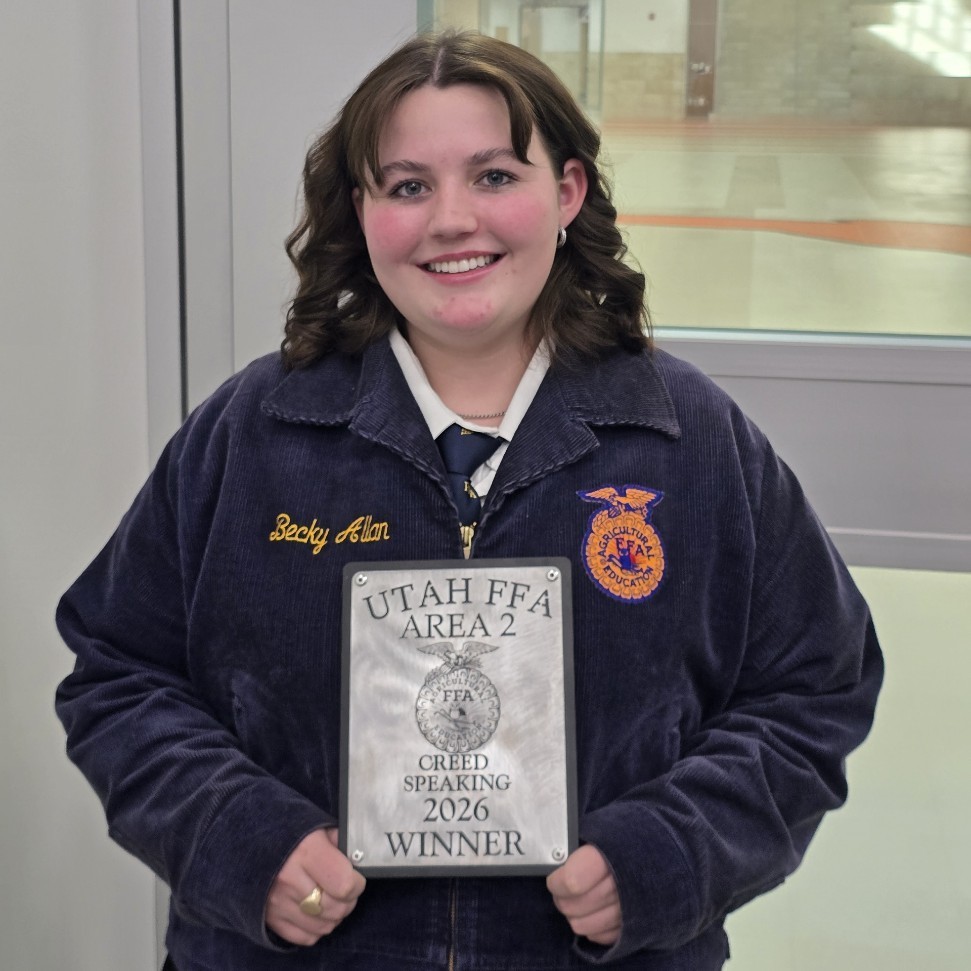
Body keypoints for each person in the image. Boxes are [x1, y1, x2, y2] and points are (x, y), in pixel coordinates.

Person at [55, 29, 883, 971]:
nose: (452, 219)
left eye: (493, 176)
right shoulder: (253, 432)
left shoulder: (689, 441)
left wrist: (664, 858)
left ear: (565, 192)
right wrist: (242, 841)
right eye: (407, 185)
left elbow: (814, 687)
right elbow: (117, 673)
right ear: (360, 213)